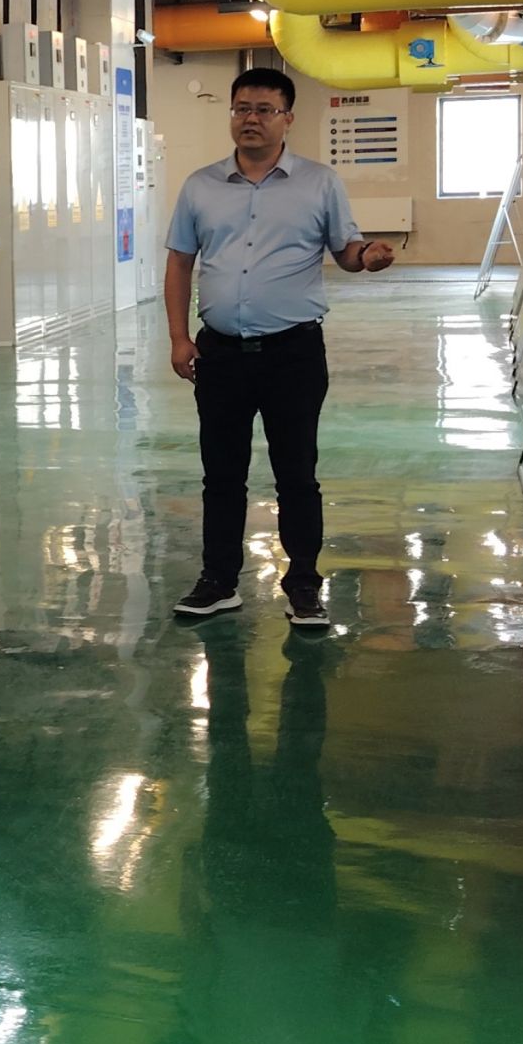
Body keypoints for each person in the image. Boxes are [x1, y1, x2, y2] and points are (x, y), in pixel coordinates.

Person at [163, 66, 396, 629]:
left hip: (294, 355)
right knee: (221, 475)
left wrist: (367, 257)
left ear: (288, 118)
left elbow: (345, 250)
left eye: (264, 109)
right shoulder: (200, 186)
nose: (251, 119)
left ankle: (304, 587)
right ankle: (219, 582)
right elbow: (180, 262)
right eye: (242, 108)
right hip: (220, 354)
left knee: (297, 475)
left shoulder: (319, 183)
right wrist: (178, 336)